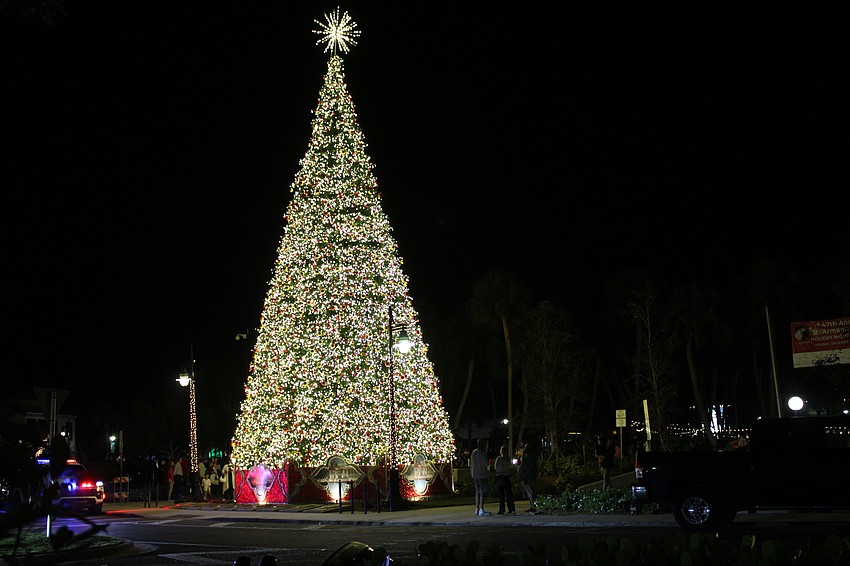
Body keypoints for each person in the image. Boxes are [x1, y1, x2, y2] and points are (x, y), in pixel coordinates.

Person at [470, 438, 491, 516]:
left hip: (475, 474)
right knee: (482, 492)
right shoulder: (483, 453)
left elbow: (471, 463)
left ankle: (477, 508)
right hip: (482, 474)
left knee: (477, 491)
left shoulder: (474, 452)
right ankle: (481, 509)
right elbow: (486, 464)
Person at [493, 445, 516, 515]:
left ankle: (502, 510)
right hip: (507, 477)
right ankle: (512, 509)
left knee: (501, 495)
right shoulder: (509, 459)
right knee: (509, 494)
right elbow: (511, 468)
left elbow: (495, 467)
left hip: (500, 477)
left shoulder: (499, 459)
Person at [518, 442, 538, 513]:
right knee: (531, 491)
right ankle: (532, 506)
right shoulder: (532, 457)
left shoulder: (527, 458)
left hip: (528, 477)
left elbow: (524, 466)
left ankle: (533, 506)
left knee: (530, 492)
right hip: (530, 476)